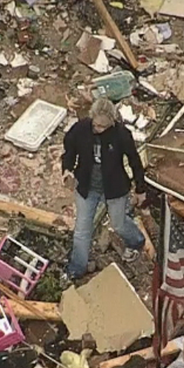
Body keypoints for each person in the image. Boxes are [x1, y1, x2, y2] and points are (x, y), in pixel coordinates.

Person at [61, 97, 147, 280]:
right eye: (97, 125)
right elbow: (69, 152)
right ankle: (76, 270)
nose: (99, 129)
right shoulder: (81, 129)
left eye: (104, 127)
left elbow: (135, 161)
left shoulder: (121, 134)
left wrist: (140, 188)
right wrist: (67, 170)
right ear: (92, 117)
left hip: (115, 188)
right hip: (86, 186)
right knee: (82, 230)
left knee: (119, 223)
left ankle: (137, 241)